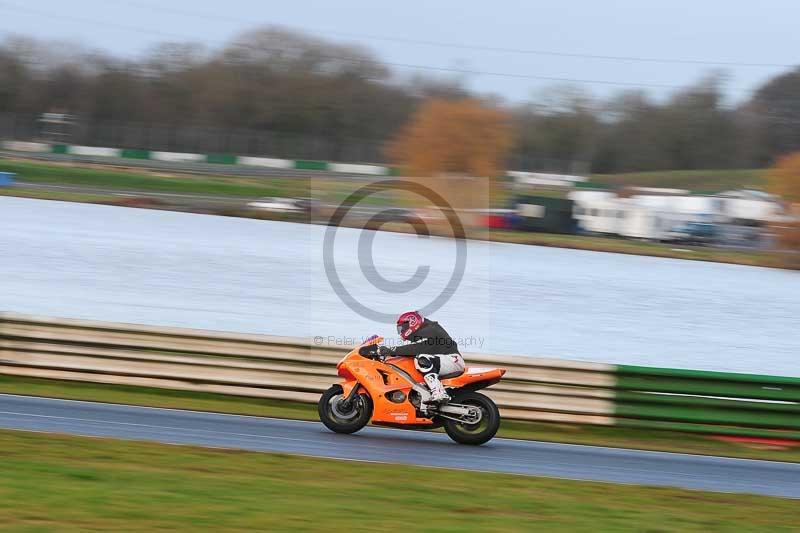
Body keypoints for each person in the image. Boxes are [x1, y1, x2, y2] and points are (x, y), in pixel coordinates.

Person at [377, 311, 465, 404]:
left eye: (403, 328)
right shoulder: (425, 330)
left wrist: (391, 350)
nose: (401, 331)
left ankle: (439, 393)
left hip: (452, 360)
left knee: (422, 359)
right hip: (443, 360)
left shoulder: (430, 329)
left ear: (412, 322)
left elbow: (416, 348)